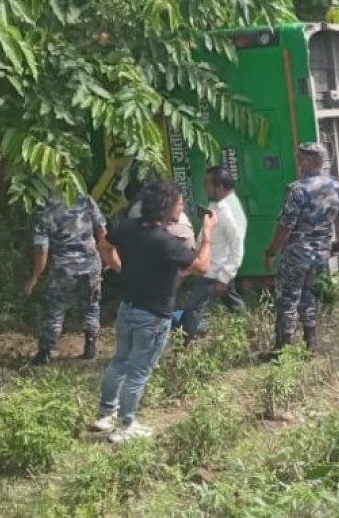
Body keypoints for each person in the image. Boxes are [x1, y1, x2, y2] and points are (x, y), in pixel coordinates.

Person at [92, 181, 216, 443]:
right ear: (167, 206)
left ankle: (105, 414)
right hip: (153, 316)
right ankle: (126, 425)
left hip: (127, 308)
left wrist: (120, 269)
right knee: (138, 370)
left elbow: (104, 246)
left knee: (120, 361)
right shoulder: (165, 241)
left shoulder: (128, 227)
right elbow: (203, 267)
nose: (181, 208)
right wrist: (207, 234)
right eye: (180, 203)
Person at [263, 142, 339, 355]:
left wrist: (271, 252)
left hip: (296, 254)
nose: (298, 163)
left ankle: (282, 348)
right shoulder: (338, 187)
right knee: (308, 296)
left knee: (288, 298)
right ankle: (310, 343)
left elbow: (285, 226)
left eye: (299, 159)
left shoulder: (297, 190)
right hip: (321, 253)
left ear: (305, 162)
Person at [23, 191, 109, 366]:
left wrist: (35, 276)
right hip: (90, 265)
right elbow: (102, 231)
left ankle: (44, 353)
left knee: (56, 310)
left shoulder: (44, 208)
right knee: (92, 307)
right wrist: (106, 256)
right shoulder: (85, 199)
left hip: (64, 269)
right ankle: (90, 345)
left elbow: (42, 250)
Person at [177, 166, 247, 344]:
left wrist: (223, 278)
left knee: (193, 307)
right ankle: (249, 332)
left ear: (220, 188)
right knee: (233, 302)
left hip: (215, 272)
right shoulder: (217, 205)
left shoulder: (227, 213)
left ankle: (182, 346)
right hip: (213, 267)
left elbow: (237, 247)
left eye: (208, 185)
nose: (205, 189)